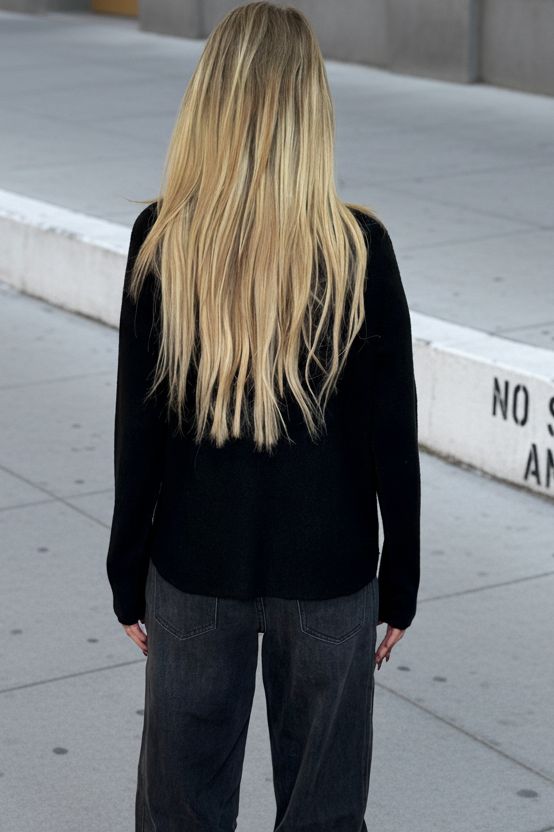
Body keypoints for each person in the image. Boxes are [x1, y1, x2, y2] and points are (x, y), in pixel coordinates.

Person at [105, 3, 421, 830]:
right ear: (310, 112)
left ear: (209, 102)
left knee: (180, 811)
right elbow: (394, 437)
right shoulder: (359, 250)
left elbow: (138, 432)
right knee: (325, 814)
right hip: (332, 577)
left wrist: (125, 568)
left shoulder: (163, 241)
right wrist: (402, 580)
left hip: (194, 567)